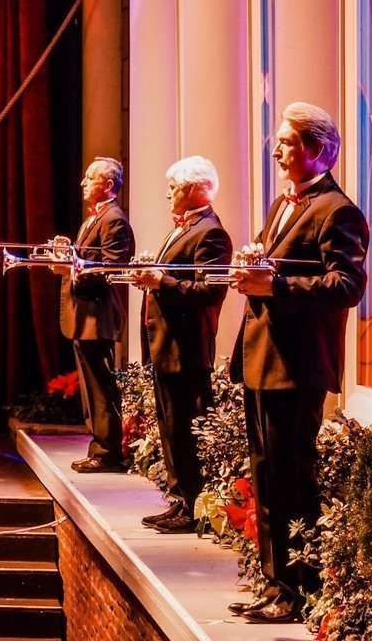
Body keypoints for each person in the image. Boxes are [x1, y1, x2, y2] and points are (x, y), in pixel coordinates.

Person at [227, 102, 368, 624]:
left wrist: (277, 283)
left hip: (297, 367)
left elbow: (347, 287)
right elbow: (271, 271)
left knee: (293, 479)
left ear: (318, 150)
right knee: (266, 477)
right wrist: (253, 266)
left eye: (287, 141)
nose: (277, 148)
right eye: (279, 141)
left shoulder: (337, 210)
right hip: (263, 359)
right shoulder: (282, 204)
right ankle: (275, 583)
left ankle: (300, 590)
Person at [131, 156, 232, 533]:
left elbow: (208, 292)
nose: (168, 194)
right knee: (170, 426)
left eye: (173, 187)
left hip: (186, 348)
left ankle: (192, 506)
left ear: (192, 190)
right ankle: (179, 499)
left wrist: (161, 282)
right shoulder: (184, 228)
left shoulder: (211, 233)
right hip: (166, 345)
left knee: (183, 427)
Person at [53, 157, 134, 472]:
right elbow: (85, 259)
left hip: (98, 315)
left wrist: (73, 270)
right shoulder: (93, 219)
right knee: (91, 386)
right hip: (84, 315)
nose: (82, 183)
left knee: (101, 386)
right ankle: (98, 445)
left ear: (108, 185)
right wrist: (65, 254)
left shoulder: (114, 219)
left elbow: (111, 267)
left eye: (90, 178)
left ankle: (107, 451)